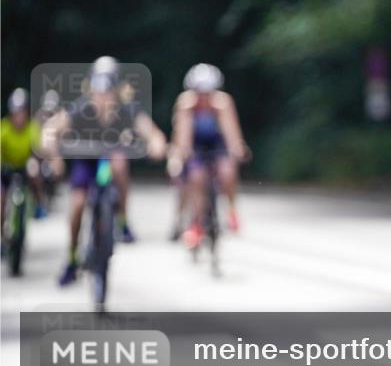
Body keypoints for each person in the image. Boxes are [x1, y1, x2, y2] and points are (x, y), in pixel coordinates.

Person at [42, 57, 167, 286]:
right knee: (78, 205)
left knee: (119, 163)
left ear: (117, 89)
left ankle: (121, 219)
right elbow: (51, 130)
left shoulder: (128, 110)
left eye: (108, 89)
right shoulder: (81, 108)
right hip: (86, 162)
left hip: (110, 161)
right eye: (98, 89)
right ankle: (72, 257)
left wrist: (156, 144)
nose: (102, 96)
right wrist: (54, 155)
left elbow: (151, 132)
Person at [168, 63, 247, 249]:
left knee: (227, 171)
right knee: (196, 177)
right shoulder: (186, 104)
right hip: (195, 144)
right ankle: (197, 222)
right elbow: (183, 135)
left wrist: (237, 149)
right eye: (199, 92)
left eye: (208, 92)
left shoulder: (222, 103)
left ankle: (232, 209)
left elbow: (231, 132)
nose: (204, 96)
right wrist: (179, 158)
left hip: (216, 143)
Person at [1, 89, 44, 246]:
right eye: (16, 112)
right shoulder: (4, 128)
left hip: (24, 168)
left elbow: (37, 148)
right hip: (6, 168)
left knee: (35, 172)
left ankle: (39, 204)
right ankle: (1, 236)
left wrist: (35, 160)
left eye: (22, 112)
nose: (19, 117)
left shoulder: (32, 128)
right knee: (1, 200)